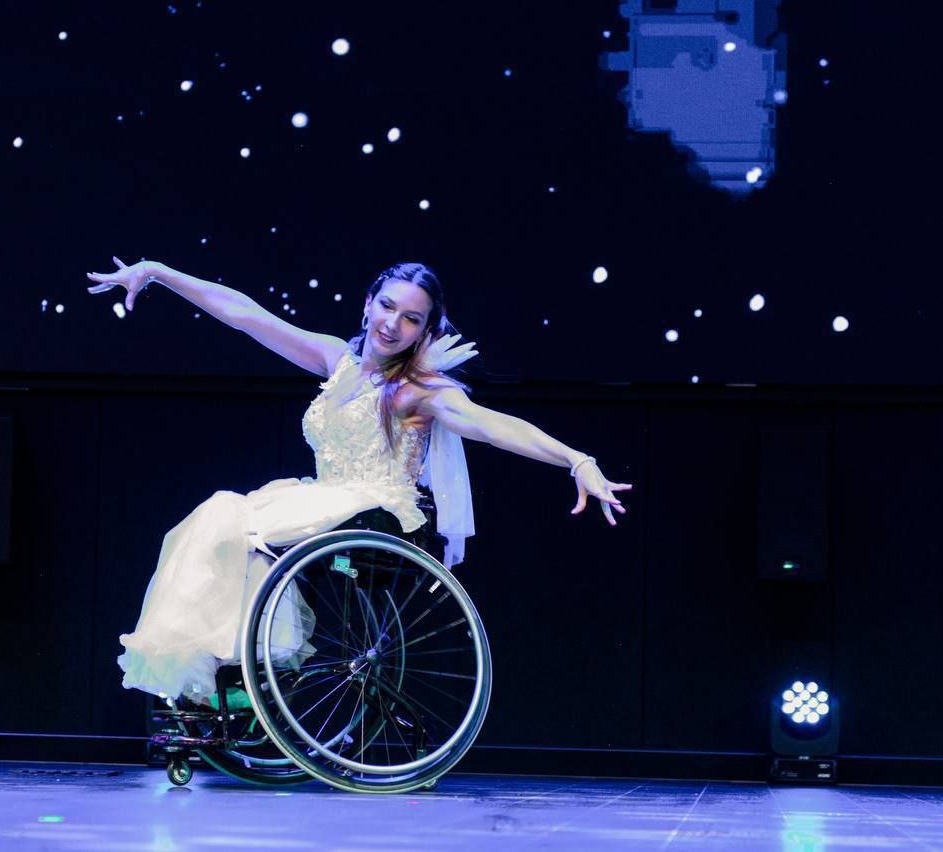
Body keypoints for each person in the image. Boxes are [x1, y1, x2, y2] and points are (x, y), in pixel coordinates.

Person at [87, 258, 632, 706]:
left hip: (375, 509)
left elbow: (490, 426)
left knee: (238, 522)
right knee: (220, 517)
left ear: (426, 331)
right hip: (321, 499)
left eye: (411, 318)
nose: (393, 324)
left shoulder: (418, 389)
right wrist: (158, 272)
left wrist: (576, 459)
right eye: (387, 307)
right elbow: (246, 315)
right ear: (368, 303)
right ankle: (240, 671)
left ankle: (257, 674)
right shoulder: (338, 360)